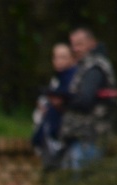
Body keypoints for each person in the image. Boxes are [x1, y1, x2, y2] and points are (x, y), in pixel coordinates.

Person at [57, 27, 117, 170]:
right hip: (81, 137)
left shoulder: (95, 67)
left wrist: (64, 101)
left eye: (80, 44)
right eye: (73, 45)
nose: (75, 49)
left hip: (89, 138)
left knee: (82, 178)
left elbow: (85, 100)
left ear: (92, 43)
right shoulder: (85, 66)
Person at [31, 43, 77, 171]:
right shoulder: (56, 80)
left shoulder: (74, 79)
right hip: (49, 135)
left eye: (63, 57)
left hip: (62, 136)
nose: (58, 61)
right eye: (56, 57)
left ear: (72, 59)